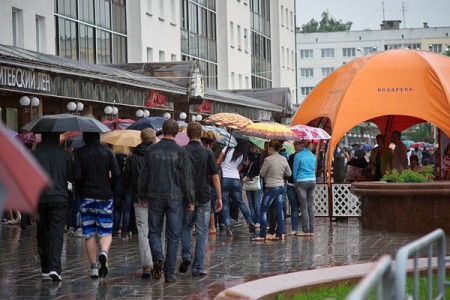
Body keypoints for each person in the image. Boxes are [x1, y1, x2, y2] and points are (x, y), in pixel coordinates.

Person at [138, 119, 194, 283]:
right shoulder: (181, 152)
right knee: (173, 235)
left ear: (162, 130)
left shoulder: (151, 150)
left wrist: (142, 195)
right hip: (175, 197)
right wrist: (190, 200)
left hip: (154, 195)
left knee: (154, 231)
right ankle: (169, 274)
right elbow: (187, 179)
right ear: (176, 132)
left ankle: (158, 256)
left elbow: (144, 175)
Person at [179, 122, 223, 276]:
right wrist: (219, 197)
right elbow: (215, 176)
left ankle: (186, 255)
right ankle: (197, 267)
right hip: (204, 196)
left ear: (187, 134)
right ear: (201, 134)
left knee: (186, 227)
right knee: (202, 231)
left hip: (187, 197)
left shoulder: (182, 151)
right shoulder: (208, 152)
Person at [74, 132, 119, 279]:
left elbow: (76, 176)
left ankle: (93, 267)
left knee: (89, 233)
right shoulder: (107, 151)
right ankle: (104, 252)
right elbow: (116, 173)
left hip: (86, 196)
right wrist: (110, 188)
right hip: (104, 195)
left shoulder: (79, 152)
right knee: (105, 231)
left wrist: (81, 191)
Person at [33, 132, 73, 281]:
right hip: (59, 198)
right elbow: (71, 177)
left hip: (40, 198)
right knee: (56, 232)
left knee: (42, 231)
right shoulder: (65, 155)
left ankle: (45, 268)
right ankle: (55, 267)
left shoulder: (34, 154)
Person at [122, 128, 158, 279]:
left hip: (139, 199)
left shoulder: (132, 157)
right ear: (154, 139)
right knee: (157, 230)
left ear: (141, 139)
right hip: (157, 198)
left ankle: (147, 266)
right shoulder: (158, 155)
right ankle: (158, 260)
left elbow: (126, 179)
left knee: (143, 232)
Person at [252, 140, 291, 241]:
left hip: (271, 187)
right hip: (281, 186)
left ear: (271, 148)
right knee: (279, 211)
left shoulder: (268, 160)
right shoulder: (283, 159)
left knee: (263, 210)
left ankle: (262, 234)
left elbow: (262, 173)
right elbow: (289, 173)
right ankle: (279, 234)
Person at [216, 138, 256, 237]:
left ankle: (228, 225)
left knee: (225, 202)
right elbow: (238, 169)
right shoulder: (243, 155)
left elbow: (217, 162)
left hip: (224, 178)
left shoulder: (227, 149)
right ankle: (250, 222)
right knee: (240, 202)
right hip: (235, 179)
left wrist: (223, 164)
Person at [293, 140, 317, 237]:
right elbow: (314, 169)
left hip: (301, 181)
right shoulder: (313, 155)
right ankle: (312, 230)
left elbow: (295, 171)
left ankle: (305, 230)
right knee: (310, 206)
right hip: (312, 180)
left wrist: (295, 183)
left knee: (304, 207)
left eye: (295, 145)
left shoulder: (298, 156)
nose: (295, 147)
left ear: (301, 145)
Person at [112, 146, 132, 239]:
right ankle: (124, 232)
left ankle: (115, 232)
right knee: (126, 210)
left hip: (117, 186)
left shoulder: (115, 157)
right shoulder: (130, 158)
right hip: (128, 187)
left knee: (117, 210)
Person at [241, 141, 262, 226]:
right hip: (248, 181)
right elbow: (242, 170)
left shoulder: (260, 157)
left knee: (257, 202)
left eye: (254, 146)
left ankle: (259, 221)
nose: (252, 148)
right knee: (250, 203)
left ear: (257, 147)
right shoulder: (246, 157)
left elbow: (259, 169)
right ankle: (253, 221)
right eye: (251, 146)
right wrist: (245, 166)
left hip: (256, 180)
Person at [286, 141, 301, 235]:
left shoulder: (303, 156)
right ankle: (294, 228)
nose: (295, 146)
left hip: (300, 184)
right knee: (294, 207)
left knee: (302, 207)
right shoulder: (292, 156)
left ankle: (305, 228)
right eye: (294, 144)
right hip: (291, 184)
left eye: (297, 144)